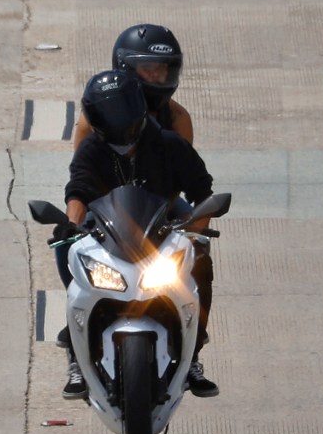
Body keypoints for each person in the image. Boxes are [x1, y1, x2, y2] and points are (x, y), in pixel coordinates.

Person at [58, 69, 219, 400]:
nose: (121, 126)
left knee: (200, 260)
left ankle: (193, 355)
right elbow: (78, 191)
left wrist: (196, 231)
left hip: (165, 219)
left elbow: (202, 190)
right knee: (65, 244)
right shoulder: (92, 150)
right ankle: (77, 355)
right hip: (106, 225)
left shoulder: (169, 144)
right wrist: (72, 227)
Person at [69, 24, 194, 147]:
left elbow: (184, 165)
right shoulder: (95, 117)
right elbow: (82, 164)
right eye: (148, 67)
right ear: (126, 68)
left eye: (161, 68)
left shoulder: (177, 118)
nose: (155, 74)